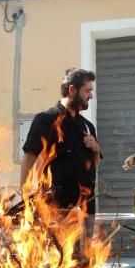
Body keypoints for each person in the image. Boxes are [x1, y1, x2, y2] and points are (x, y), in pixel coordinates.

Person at [21, 68, 101, 218]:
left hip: (86, 211)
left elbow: (93, 167)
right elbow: (27, 163)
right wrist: (26, 202)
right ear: (72, 89)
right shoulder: (45, 120)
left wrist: (96, 150)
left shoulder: (88, 127)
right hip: (54, 212)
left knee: (89, 243)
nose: (91, 95)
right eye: (87, 90)